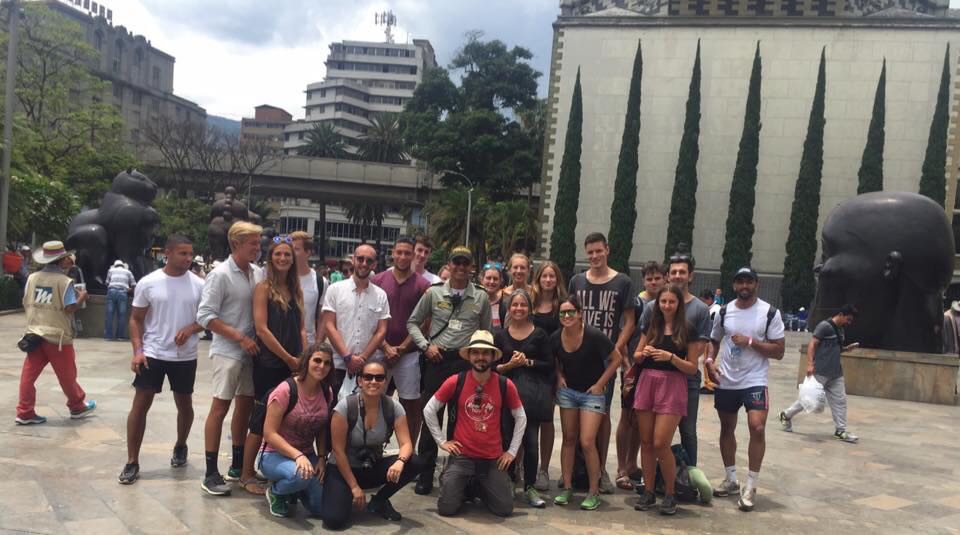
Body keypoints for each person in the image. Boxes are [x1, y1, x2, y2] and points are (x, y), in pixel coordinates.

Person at [119, 235, 205, 484]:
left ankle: (181, 444)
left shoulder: (199, 285)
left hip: (185, 355)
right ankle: (132, 460)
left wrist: (191, 329)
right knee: (140, 404)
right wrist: (138, 350)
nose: (188, 258)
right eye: (183, 253)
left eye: (190, 254)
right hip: (153, 353)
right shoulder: (149, 282)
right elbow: (136, 319)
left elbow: (208, 318)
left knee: (184, 403)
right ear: (167, 253)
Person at [407, 245, 492, 495]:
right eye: (457, 262)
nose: (461, 268)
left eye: (466, 263)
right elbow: (412, 322)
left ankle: (457, 473)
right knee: (431, 415)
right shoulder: (434, 294)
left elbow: (485, 332)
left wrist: (480, 361)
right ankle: (425, 471)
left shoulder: (481, 297)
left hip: (465, 362)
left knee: (462, 418)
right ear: (449, 264)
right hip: (438, 360)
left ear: (471, 267)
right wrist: (425, 346)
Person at [705, 267, 785, 512]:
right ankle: (731, 478)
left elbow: (779, 351)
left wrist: (750, 342)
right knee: (727, 427)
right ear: (734, 285)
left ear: (756, 285)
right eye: (739, 281)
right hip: (728, 379)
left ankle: (751, 484)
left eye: (748, 281)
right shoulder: (724, 311)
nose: (744, 286)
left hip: (755, 379)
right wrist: (709, 362)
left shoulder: (769, 313)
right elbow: (714, 340)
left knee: (757, 426)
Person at [424, 330, 527, 517]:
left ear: (493, 357)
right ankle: (462, 482)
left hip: (491, 458)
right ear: (469, 356)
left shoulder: (505, 384)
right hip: (463, 456)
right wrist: (441, 441)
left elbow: (521, 416)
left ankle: (476, 486)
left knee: (504, 509)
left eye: (486, 353)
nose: (481, 357)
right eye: (476, 352)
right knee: (446, 509)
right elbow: (429, 410)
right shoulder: (456, 381)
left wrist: (511, 452)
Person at [197, 221, 264, 496]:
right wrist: (239, 337)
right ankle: (211, 471)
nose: (258, 249)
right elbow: (205, 316)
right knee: (219, 408)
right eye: (253, 244)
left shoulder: (258, 273)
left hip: (252, 352)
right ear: (236, 244)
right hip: (228, 351)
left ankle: (238, 464)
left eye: (259, 244)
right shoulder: (220, 274)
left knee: (245, 407)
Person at [568, 232, 637, 494]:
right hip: (578, 359)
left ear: (607, 250)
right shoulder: (577, 281)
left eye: (599, 251)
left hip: (605, 363)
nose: (595, 256)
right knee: (575, 415)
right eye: (590, 252)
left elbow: (629, 321)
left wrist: (616, 349)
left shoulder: (623, 282)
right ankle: (579, 469)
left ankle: (601, 470)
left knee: (603, 415)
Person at [634, 250, 713, 472]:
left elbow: (695, 353)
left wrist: (672, 358)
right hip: (653, 378)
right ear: (668, 275)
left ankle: (689, 476)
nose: (678, 276)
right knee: (651, 436)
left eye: (682, 272)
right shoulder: (652, 308)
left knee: (687, 430)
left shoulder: (699, 309)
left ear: (691, 276)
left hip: (684, 379)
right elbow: (642, 342)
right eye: (674, 272)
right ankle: (652, 479)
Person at [239, 236, 305, 494]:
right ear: (271, 258)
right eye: (278, 254)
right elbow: (262, 329)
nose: (283, 259)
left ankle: (275, 465)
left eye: (287, 255)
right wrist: (287, 357)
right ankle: (245, 473)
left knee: (284, 418)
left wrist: (302, 355)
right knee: (261, 418)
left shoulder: (295, 289)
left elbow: (301, 327)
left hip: (293, 363)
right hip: (269, 363)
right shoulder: (263, 288)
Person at [323, 361, 423, 529]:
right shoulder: (346, 407)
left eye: (379, 377)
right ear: (359, 381)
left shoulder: (392, 406)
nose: (373, 382)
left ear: (385, 381)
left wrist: (400, 461)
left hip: (371, 466)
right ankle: (344, 492)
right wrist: (354, 487)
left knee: (415, 461)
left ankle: (380, 500)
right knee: (334, 520)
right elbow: (338, 451)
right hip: (343, 468)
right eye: (368, 377)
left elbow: (406, 444)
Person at [632, 286, 703, 515]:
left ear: (679, 304)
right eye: (663, 301)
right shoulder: (652, 325)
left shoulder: (687, 329)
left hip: (672, 385)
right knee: (646, 441)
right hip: (647, 382)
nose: (666, 306)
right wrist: (642, 355)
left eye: (671, 302)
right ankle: (649, 491)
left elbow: (692, 367)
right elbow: (636, 353)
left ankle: (670, 492)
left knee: (661, 442)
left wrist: (670, 357)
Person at [552, 296, 622, 510]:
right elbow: (552, 359)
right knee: (569, 439)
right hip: (569, 392)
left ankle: (594, 489)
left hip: (592, 393)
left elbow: (616, 358)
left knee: (588, 441)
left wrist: (601, 383)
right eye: (563, 313)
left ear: (580, 313)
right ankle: (567, 486)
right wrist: (559, 376)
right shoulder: (556, 337)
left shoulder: (593, 335)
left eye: (570, 312)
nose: (566, 316)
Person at [16, 240, 96, 425]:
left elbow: (25, 301)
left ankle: (24, 411)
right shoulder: (65, 282)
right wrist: (82, 297)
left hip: (34, 334)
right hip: (58, 337)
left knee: (28, 375)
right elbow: (69, 308)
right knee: (67, 376)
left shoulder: (31, 278)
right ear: (61, 261)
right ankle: (77, 406)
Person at [494, 289, 554, 507]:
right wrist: (509, 365)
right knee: (506, 439)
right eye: (515, 305)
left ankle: (529, 486)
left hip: (531, 396)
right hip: (505, 395)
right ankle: (509, 480)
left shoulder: (539, 334)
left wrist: (527, 362)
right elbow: (491, 367)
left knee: (530, 442)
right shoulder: (499, 335)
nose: (519, 309)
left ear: (529, 309)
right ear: (509, 309)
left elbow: (549, 365)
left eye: (523, 305)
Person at [260, 345, 335, 518]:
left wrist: (322, 457)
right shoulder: (285, 390)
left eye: (327, 363)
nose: (321, 366)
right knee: (301, 476)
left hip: (307, 455)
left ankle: (295, 489)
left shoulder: (326, 391)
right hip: (274, 454)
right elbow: (269, 433)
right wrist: (297, 456)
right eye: (317, 360)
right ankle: (276, 491)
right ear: (306, 361)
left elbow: (322, 426)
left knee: (320, 508)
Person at [371, 237, 431, 445]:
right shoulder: (377, 280)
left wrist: (402, 349)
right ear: (393, 253)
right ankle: (373, 446)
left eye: (408, 253)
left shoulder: (423, 285)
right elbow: (371, 318)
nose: (403, 257)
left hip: (409, 355)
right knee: (373, 400)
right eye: (400, 252)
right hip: (380, 352)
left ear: (414, 255)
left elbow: (425, 321)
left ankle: (408, 450)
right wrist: (386, 347)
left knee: (411, 404)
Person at [780, 304, 860, 442]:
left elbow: (836, 349)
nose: (849, 323)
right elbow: (812, 344)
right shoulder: (825, 326)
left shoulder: (841, 330)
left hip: (836, 373)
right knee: (809, 399)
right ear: (840, 314)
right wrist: (810, 364)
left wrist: (847, 349)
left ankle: (841, 430)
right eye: (848, 319)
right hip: (820, 371)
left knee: (840, 401)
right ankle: (787, 415)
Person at [322, 243, 390, 399]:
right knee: (334, 412)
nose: (364, 264)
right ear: (353, 260)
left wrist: (362, 359)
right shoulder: (335, 290)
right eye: (360, 259)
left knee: (366, 415)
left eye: (369, 260)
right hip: (338, 363)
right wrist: (347, 357)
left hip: (369, 368)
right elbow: (329, 325)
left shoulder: (380, 295)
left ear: (374, 264)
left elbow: (381, 331)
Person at [529, 260, 566, 491]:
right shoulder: (529, 303)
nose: (548, 280)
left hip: (549, 368)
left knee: (546, 420)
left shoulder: (561, 305)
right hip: (527, 366)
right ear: (539, 278)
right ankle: (523, 466)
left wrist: (560, 373)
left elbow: (565, 341)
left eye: (552, 276)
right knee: (523, 418)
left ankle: (543, 468)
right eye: (545, 276)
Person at [289, 231, 324, 348]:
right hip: (281, 343)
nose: (291, 253)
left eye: (296, 249)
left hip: (308, 345)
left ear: (308, 252)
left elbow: (321, 318)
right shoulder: (280, 278)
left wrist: (317, 345)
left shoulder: (320, 282)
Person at [105, 259, 136, 340]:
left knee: (109, 314)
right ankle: (120, 336)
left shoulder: (111, 270)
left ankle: (108, 336)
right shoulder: (128, 272)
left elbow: (107, 282)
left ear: (115, 265)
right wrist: (128, 289)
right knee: (122, 315)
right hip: (122, 293)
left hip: (111, 292)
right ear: (123, 265)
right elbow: (133, 284)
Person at [498, 253, 532, 325]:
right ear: (509, 270)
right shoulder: (501, 294)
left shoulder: (535, 293)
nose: (519, 271)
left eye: (522, 267)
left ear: (528, 271)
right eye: (515, 267)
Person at [480, 264, 504, 329]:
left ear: (500, 281)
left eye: (495, 279)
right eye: (488, 278)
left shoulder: (504, 304)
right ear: (482, 280)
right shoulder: (475, 301)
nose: (492, 281)